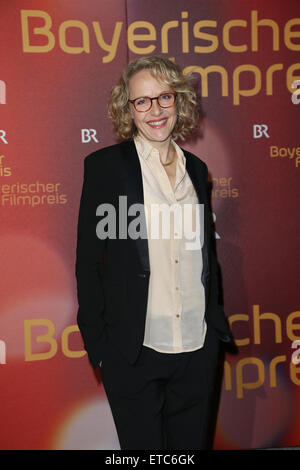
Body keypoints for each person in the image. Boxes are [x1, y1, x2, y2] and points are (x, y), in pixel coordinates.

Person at [75, 56, 233, 450]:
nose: (155, 110)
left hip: (197, 348)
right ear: (127, 109)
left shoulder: (196, 169)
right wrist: (101, 347)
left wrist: (213, 330)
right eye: (142, 101)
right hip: (134, 351)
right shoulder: (106, 168)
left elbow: (203, 256)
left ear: (178, 101)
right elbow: (89, 261)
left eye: (164, 97)